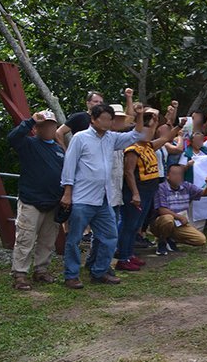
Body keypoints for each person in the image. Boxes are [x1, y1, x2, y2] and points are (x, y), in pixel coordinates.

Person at [60, 103, 145, 289]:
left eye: (110, 119)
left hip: (104, 197)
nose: (107, 123)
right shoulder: (80, 138)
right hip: (82, 198)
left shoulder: (111, 138)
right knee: (74, 239)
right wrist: (67, 192)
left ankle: (99, 271)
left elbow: (136, 135)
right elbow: (69, 165)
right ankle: (71, 275)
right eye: (104, 119)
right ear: (93, 119)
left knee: (109, 236)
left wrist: (139, 116)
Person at [116, 112, 182, 271]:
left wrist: (179, 126)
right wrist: (135, 193)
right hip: (136, 191)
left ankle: (130, 254)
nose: (150, 133)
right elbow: (129, 172)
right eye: (146, 130)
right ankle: (123, 257)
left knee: (137, 225)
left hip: (148, 191)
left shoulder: (148, 146)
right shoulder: (133, 149)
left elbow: (166, 139)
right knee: (129, 224)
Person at [7, 110, 64, 291]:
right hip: (31, 201)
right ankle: (20, 274)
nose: (47, 128)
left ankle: (41, 270)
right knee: (25, 239)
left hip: (53, 202)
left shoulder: (58, 150)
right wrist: (29, 121)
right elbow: (12, 138)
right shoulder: (28, 144)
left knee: (48, 240)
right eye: (43, 125)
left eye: (51, 125)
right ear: (36, 128)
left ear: (55, 127)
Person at [151, 164, 207, 255]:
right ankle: (162, 242)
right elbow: (162, 210)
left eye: (180, 174)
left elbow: (204, 193)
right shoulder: (161, 188)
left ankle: (171, 238)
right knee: (168, 219)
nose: (178, 177)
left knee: (200, 240)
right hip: (162, 222)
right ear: (168, 176)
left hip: (180, 224)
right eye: (175, 174)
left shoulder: (187, 186)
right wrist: (179, 217)